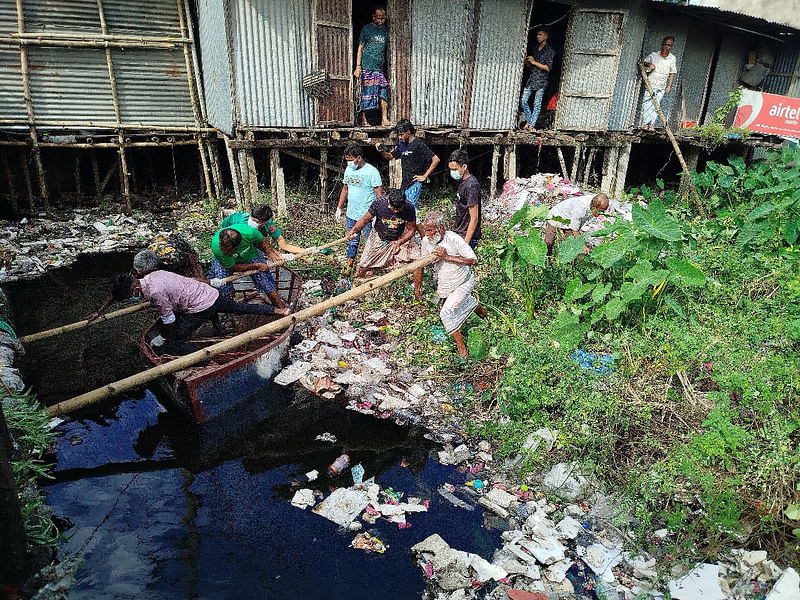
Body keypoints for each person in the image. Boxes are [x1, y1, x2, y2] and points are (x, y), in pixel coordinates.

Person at [111, 250, 288, 356]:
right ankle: (280, 312)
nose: (133, 299)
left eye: (130, 297)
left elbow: (168, 320)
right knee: (241, 308)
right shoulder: (153, 274)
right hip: (210, 294)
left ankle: (206, 361)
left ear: (134, 290)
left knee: (174, 342)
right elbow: (188, 281)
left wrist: (164, 336)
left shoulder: (154, 292)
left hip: (201, 306)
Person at [85, 233, 203, 323]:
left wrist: (202, 284)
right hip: (160, 246)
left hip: (183, 253)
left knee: (188, 288)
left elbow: (192, 263)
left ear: (154, 270)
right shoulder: (141, 264)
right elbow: (122, 286)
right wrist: (99, 311)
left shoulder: (173, 260)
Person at [419, 211, 487, 359]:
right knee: (467, 302)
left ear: (440, 228)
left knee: (446, 312)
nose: (427, 233)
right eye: (426, 229)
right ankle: (488, 319)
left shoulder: (453, 239)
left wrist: (447, 257)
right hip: (445, 285)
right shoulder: (426, 241)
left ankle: (463, 351)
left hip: (463, 281)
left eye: (429, 230)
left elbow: (472, 260)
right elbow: (424, 261)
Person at [346, 189, 422, 295]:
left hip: (399, 237)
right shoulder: (379, 203)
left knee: (417, 260)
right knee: (363, 266)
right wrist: (353, 230)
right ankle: (353, 290)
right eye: (393, 208)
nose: (395, 211)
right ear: (388, 202)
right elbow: (365, 219)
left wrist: (400, 241)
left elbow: (412, 229)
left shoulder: (409, 208)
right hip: (379, 237)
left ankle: (417, 292)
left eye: (398, 209)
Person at [208, 224, 286, 308]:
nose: (223, 250)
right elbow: (233, 268)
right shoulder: (218, 249)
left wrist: (271, 254)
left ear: (237, 246)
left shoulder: (249, 233)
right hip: (226, 262)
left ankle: (281, 308)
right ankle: (228, 309)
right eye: (222, 246)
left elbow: (262, 240)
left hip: (249, 253)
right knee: (223, 286)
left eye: (227, 249)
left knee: (265, 280)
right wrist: (255, 266)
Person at [336, 143, 384, 271]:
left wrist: (377, 214)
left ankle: (370, 268)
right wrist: (339, 207)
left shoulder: (372, 172)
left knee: (370, 242)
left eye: (350, 160)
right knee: (351, 240)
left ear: (358, 158)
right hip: (351, 214)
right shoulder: (348, 170)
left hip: (367, 216)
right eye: (347, 160)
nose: (349, 163)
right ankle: (349, 266)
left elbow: (379, 195)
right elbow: (345, 188)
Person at [376, 119, 439, 216]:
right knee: (404, 206)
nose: (399, 137)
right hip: (405, 182)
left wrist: (424, 176)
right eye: (398, 135)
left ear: (408, 132)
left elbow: (436, 159)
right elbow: (390, 157)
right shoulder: (402, 145)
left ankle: (416, 227)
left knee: (411, 207)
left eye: (401, 134)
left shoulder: (418, 144)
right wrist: (380, 150)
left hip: (414, 182)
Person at [219, 204, 309, 260]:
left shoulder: (268, 225)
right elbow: (220, 231)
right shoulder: (238, 220)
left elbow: (283, 244)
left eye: (257, 222)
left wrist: (305, 251)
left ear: (265, 222)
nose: (254, 223)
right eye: (253, 219)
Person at [354, 6, 391, 126]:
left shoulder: (385, 31)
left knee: (383, 90)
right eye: (378, 18)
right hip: (367, 67)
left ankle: (384, 119)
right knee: (366, 93)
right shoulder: (367, 29)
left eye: (383, 18)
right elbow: (360, 48)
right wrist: (358, 67)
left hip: (378, 68)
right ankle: (364, 119)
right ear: (373, 17)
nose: (380, 21)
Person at [544, 193, 610, 255]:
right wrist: (582, 246)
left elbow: (577, 226)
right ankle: (547, 260)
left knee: (570, 244)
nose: (602, 213)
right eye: (601, 210)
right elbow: (575, 230)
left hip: (569, 220)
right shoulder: (580, 207)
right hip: (556, 217)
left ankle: (567, 263)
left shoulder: (594, 203)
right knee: (549, 242)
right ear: (594, 207)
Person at [521, 27, 555, 131]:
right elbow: (531, 67)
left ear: (546, 36)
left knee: (537, 104)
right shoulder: (535, 49)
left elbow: (548, 68)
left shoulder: (549, 51)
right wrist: (526, 60)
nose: (538, 37)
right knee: (523, 101)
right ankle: (529, 121)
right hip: (531, 80)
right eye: (537, 35)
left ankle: (531, 125)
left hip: (541, 81)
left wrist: (534, 62)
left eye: (540, 35)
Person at [447, 149, 482, 248]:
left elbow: (474, 218)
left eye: (454, 169)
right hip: (460, 232)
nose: (452, 172)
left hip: (467, 236)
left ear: (464, 166)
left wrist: (465, 243)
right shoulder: (462, 181)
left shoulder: (471, 186)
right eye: (451, 169)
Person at [641, 37, 677, 130]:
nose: (667, 47)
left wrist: (669, 86)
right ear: (662, 44)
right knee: (647, 104)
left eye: (669, 45)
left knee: (656, 105)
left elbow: (672, 73)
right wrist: (649, 64)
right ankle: (646, 124)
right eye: (665, 44)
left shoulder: (672, 58)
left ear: (671, 46)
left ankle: (651, 124)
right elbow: (644, 61)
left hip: (661, 85)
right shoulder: (654, 55)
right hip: (651, 83)